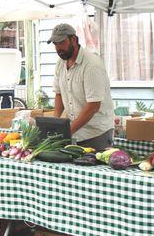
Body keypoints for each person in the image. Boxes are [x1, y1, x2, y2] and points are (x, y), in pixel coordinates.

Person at [49, 23, 115, 151]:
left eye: (61, 43)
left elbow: (93, 106)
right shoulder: (60, 63)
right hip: (74, 132)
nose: (58, 48)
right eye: (55, 44)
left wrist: (68, 131)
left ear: (73, 39)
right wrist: (55, 123)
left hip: (96, 134)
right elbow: (59, 93)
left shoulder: (92, 65)